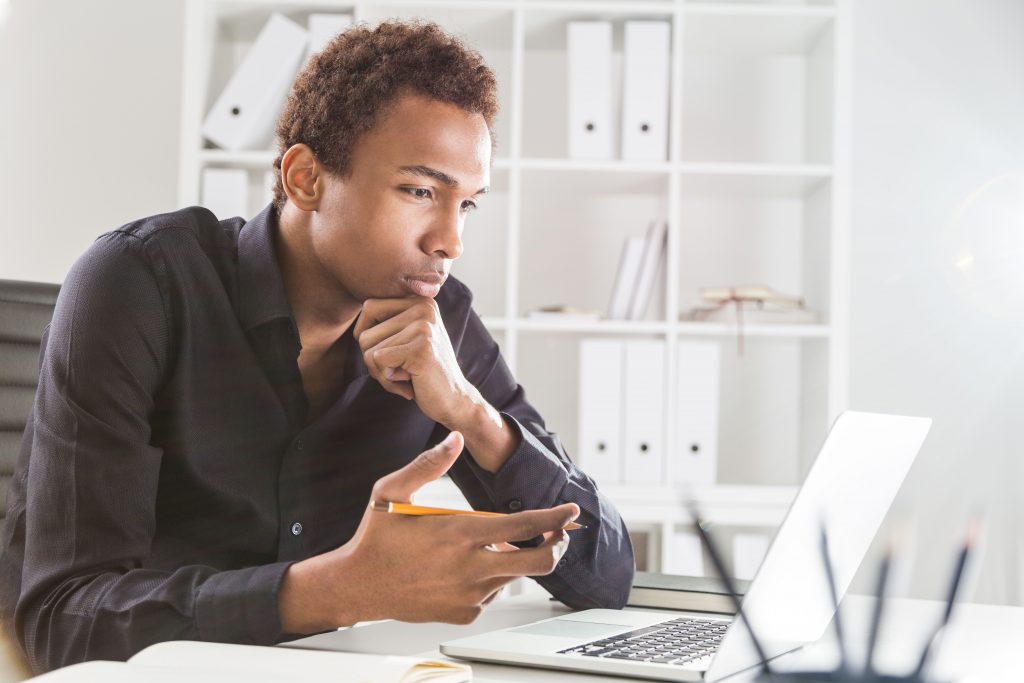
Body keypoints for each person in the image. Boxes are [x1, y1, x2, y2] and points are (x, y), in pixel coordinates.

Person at [0, 20, 634, 673]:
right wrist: (338, 588)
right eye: (420, 190)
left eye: (467, 204)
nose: (451, 240)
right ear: (305, 178)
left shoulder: (440, 320)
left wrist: (474, 415)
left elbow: (605, 578)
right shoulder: (138, 284)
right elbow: (63, 624)